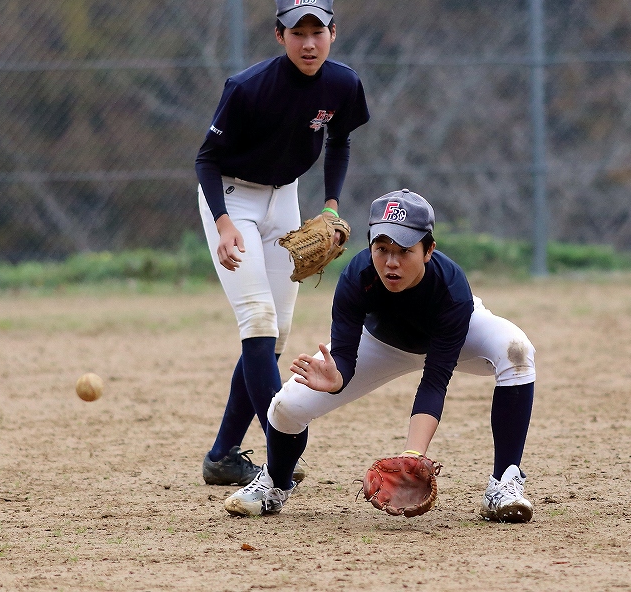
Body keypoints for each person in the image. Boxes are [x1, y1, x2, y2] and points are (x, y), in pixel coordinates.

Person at [223, 189, 537, 523]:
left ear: (429, 250)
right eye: (382, 248)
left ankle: (504, 484)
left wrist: (413, 454)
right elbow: (344, 352)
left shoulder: (451, 290)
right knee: (285, 408)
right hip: (381, 343)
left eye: (404, 251)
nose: (391, 262)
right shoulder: (357, 277)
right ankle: (275, 482)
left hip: (457, 339)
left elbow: (435, 379)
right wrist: (337, 378)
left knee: (516, 350)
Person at [195, 0, 370, 487]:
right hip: (232, 198)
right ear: (280, 35)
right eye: (298, 32)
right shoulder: (248, 87)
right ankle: (279, 458)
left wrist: (331, 206)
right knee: (258, 320)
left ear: (333, 33)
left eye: (319, 31)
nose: (309, 43)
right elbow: (205, 159)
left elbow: (339, 140)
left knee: (276, 335)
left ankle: (224, 455)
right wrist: (224, 224)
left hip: (284, 197)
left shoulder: (342, 84)